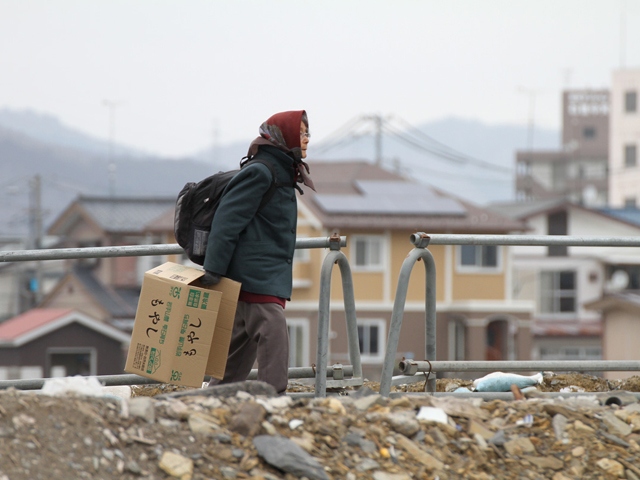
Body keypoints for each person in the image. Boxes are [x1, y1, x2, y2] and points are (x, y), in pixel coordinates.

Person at [201, 110, 314, 394]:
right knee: (272, 328)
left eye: (307, 133)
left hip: (262, 271)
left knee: (240, 345)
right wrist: (214, 269)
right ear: (283, 135)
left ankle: (216, 397)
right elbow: (227, 221)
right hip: (254, 272)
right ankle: (273, 394)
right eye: (300, 133)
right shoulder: (261, 171)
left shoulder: (282, 171)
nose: (306, 140)